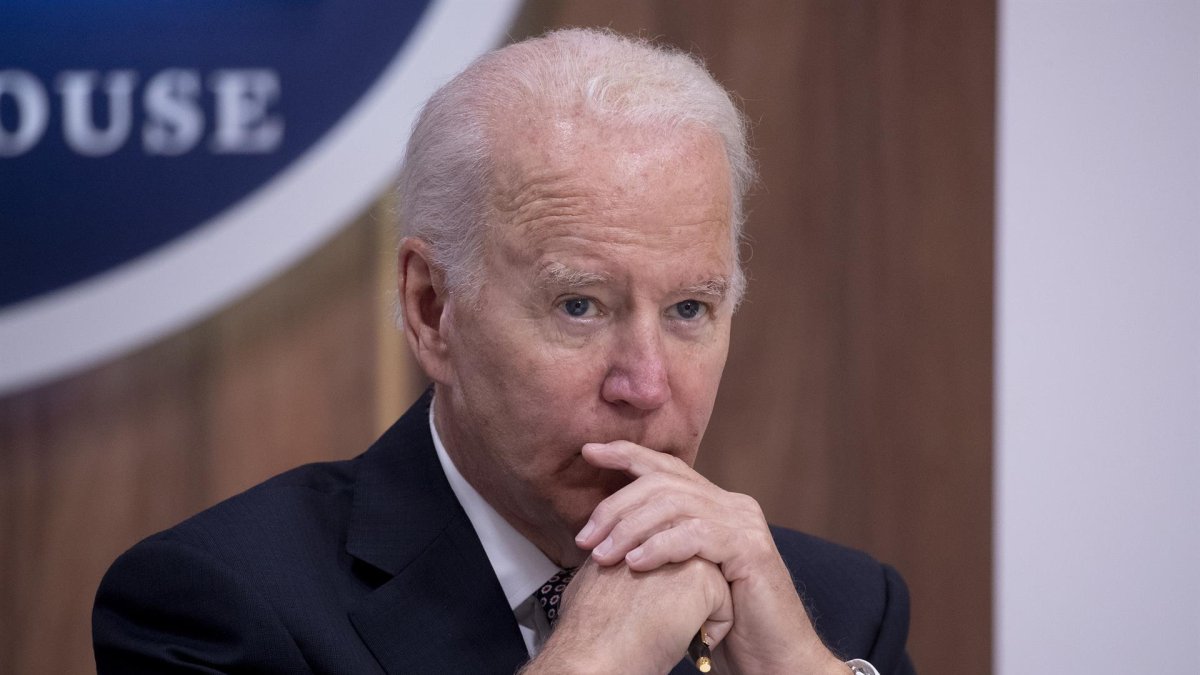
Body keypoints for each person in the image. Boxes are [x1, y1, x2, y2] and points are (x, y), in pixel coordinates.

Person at [94, 28, 915, 674]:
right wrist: (596, 659)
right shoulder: (221, 607)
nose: (647, 382)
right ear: (432, 308)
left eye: (690, 308)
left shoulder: (839, 609)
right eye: (580, 305)